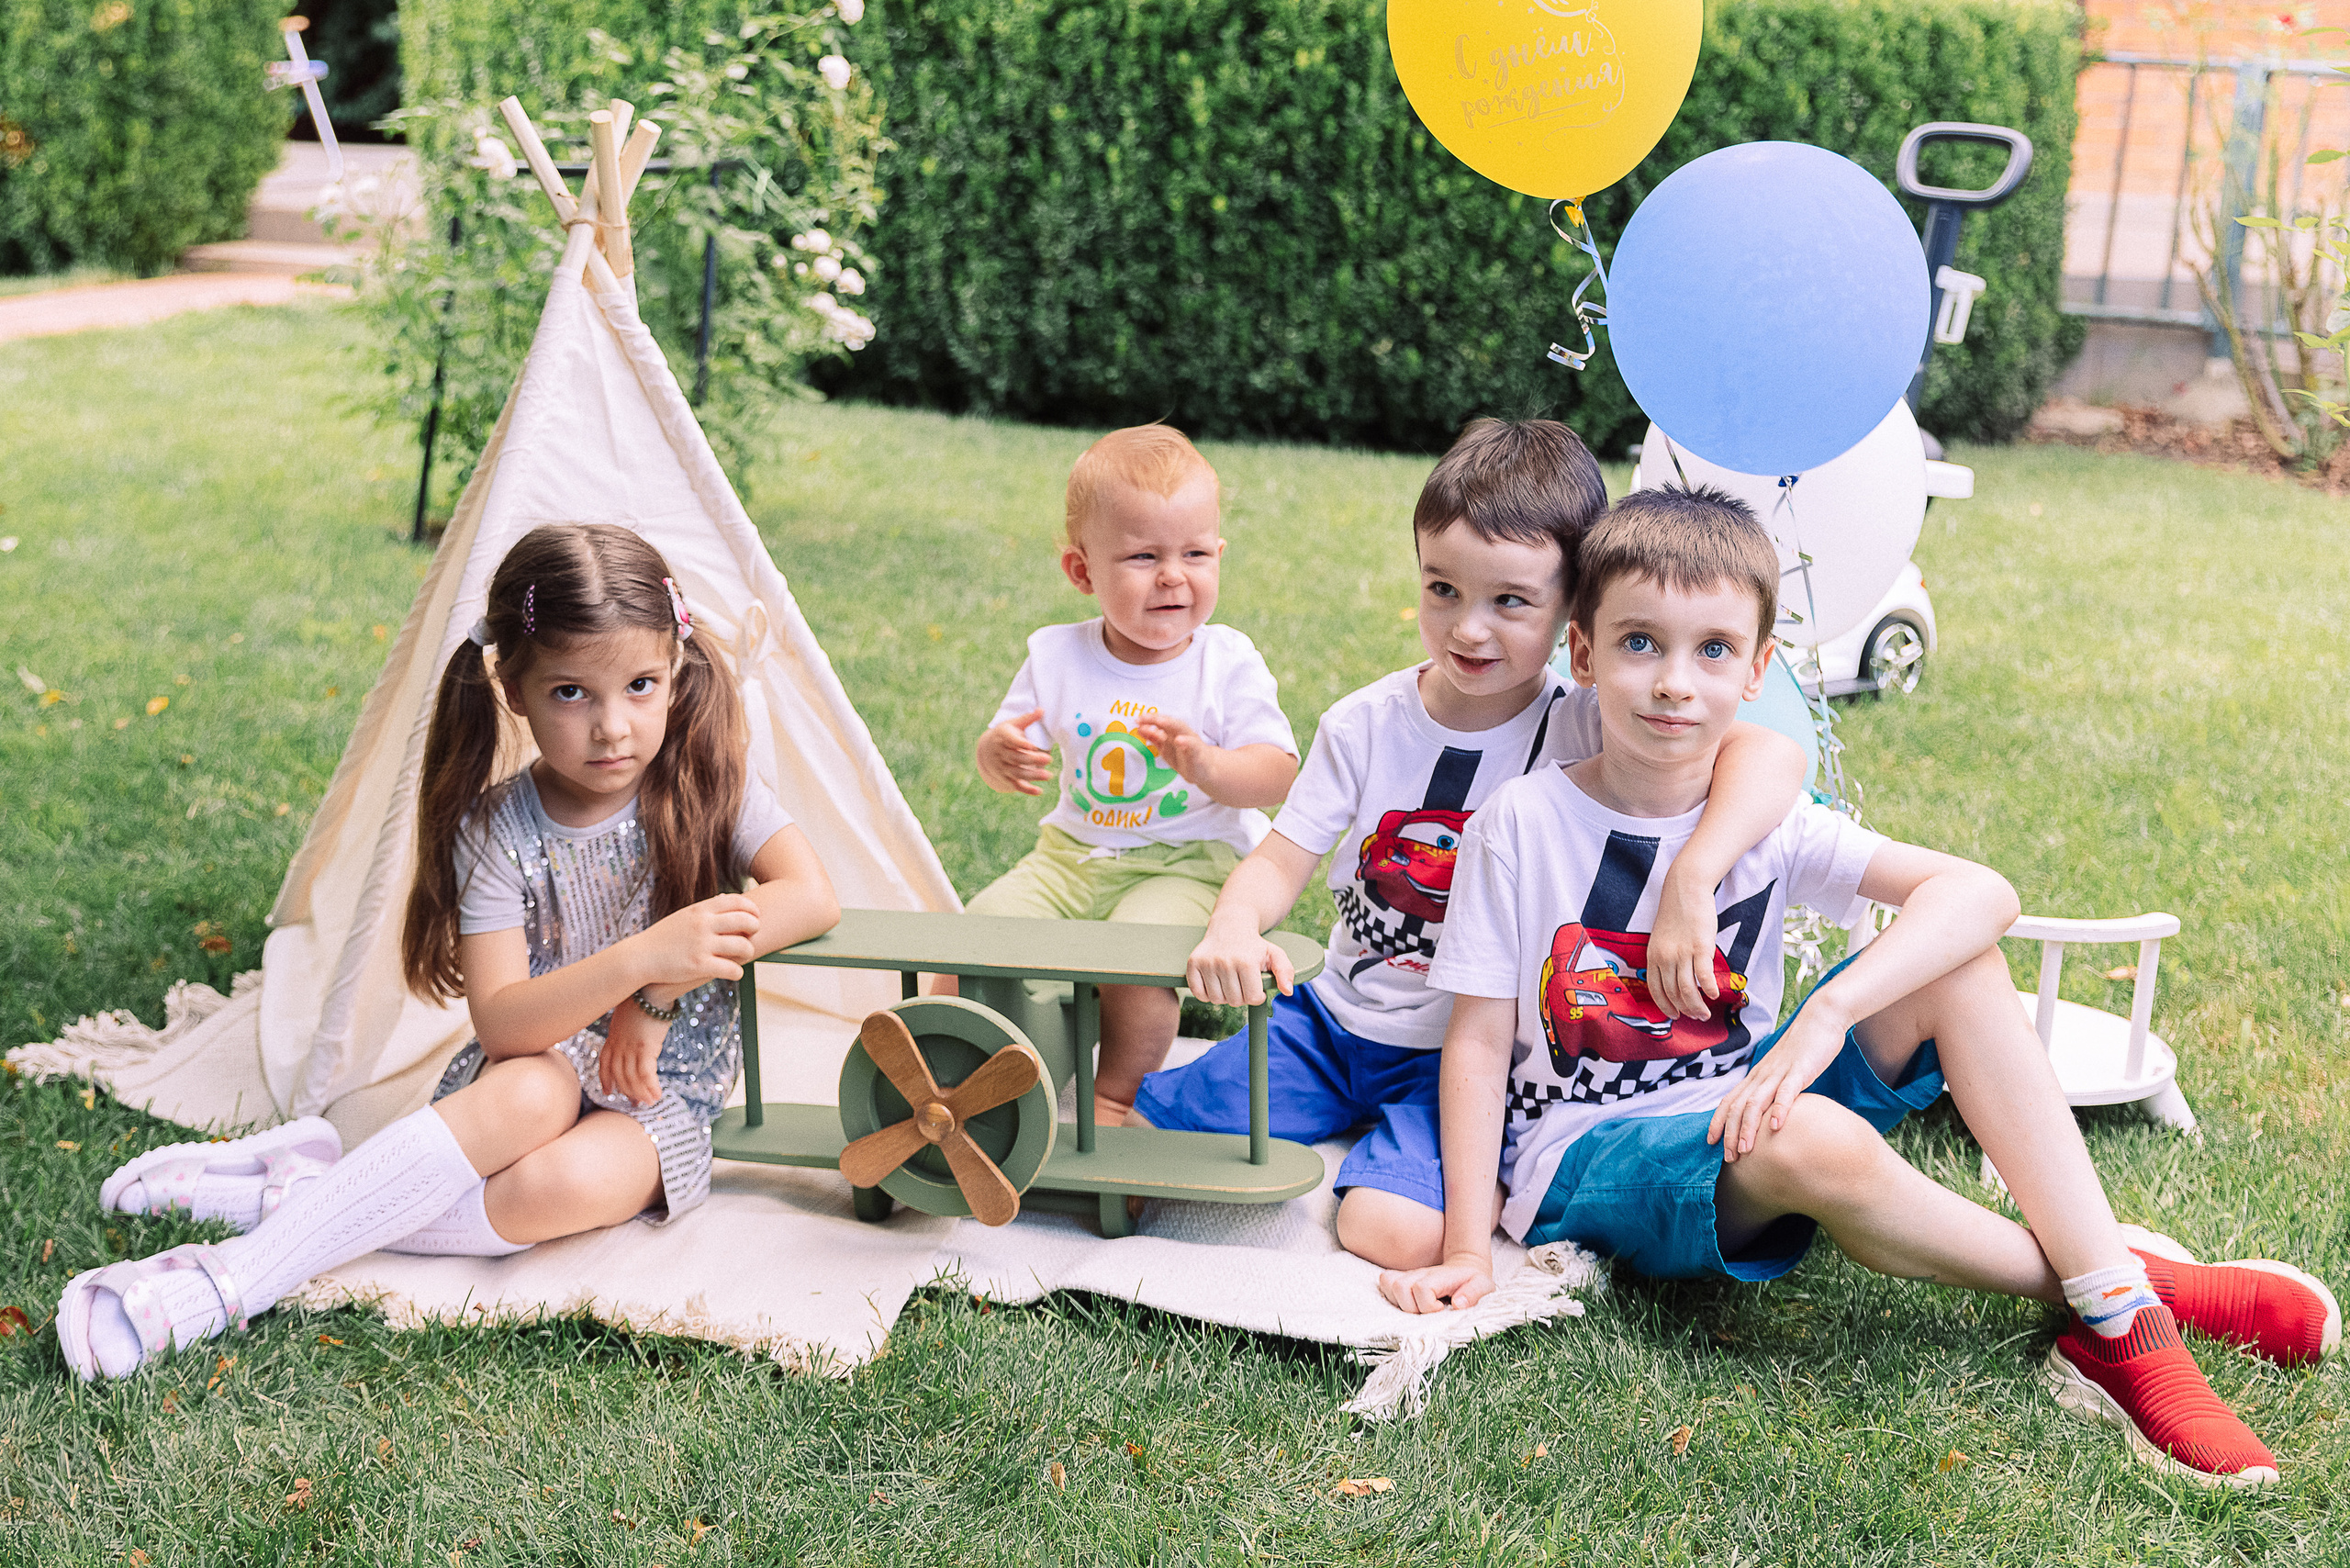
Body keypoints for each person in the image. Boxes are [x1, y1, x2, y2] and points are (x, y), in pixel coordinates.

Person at [1378, 485, 2338, 1488]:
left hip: (1740, 1098)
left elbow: (1980, 893)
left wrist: (1827, 1012)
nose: (1673, 682)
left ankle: (2108, 1307)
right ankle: (2124, 1295)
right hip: (1584, 1154)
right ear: (1583, 654)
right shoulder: (1520, 825)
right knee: (1813, 1133)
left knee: (1958, 961)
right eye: (1638, 644)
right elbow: (1479, 1040)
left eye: (1711, 650)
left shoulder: (1765, 819)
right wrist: (1466, 1246)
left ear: (1756, 670)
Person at [62, 522, 842, 1378]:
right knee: (535, 1089)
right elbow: (507, 1026)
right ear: (513, 688)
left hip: (665, 1093)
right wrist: (641, 961)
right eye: (573, 693)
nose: (614, 726)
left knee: (566, 1190)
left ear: (676, 666)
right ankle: (233, 1282)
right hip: (531, 1066)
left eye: (641, 685)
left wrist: (653, 999)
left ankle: (290, 1196)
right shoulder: (494, 829)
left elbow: (810, 894)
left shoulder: (710, 781)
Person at [1143, 419, 1809, 1269]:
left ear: (1577, 615)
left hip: (1459, 1059)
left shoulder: (1585, 724)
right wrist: (1235, 926)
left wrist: (1694, 872)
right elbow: (1281, 857)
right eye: (1443, 589)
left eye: (1511, 601)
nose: (1469, 629)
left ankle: (1422, 1166)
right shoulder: (1363, 725)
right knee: (1148, 1139)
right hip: (1332, 1020)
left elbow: (1769, 751)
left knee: (1392, 1234)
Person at [963, 424, 1299, 1126]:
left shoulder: (1225, 661)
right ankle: (960, 1070)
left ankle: (1116, 1096)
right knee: (978, 935)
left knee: (1134, 959)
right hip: (1069, 857)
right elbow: (1005, 738)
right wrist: (996, 754)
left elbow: (1276, 776)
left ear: (1218, 556)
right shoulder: (1056, 655)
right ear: (1083, 572)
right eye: (1144, 556)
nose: (1174, 575)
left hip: (1186, 863)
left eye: (1196, 554)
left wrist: (1207, 765)